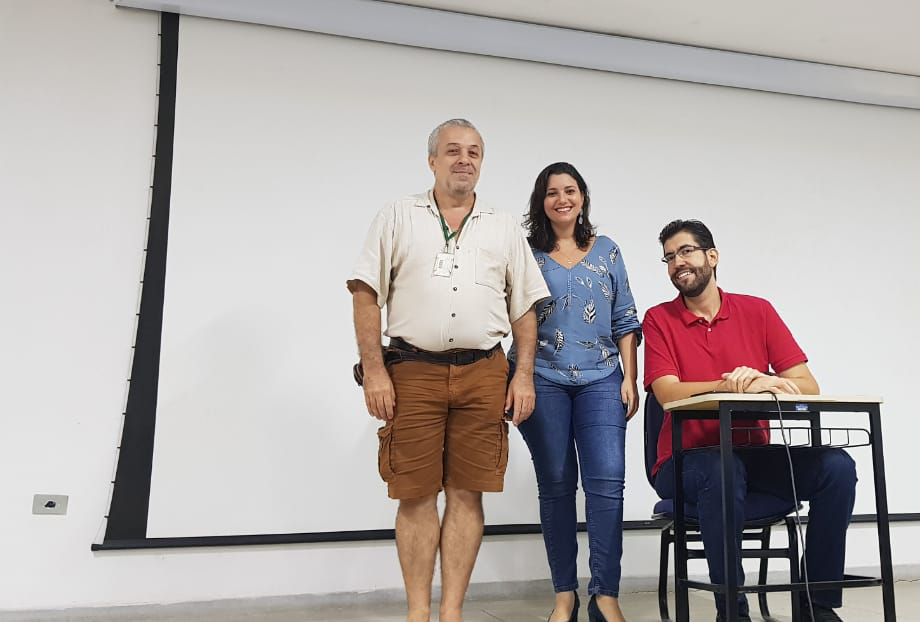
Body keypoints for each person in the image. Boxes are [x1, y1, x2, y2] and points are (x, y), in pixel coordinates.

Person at [346, 118, 550, 622]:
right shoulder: (398, 215)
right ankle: (419, 612)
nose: (464, 159)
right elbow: (365, 292)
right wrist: (374, 371)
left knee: (467, 492)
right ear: (432, 160)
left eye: (474, 152)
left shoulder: (502, 226)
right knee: (415, 494)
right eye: (453, 150)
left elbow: (524, 306)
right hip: (412, 371)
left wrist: (522, 375)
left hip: (485, 372)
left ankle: (451, 613)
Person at [642, 220, 857, 622]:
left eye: (685, 251)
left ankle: (817, 605)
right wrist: (732, 385)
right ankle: (733, 610)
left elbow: (806, 385)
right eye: (669, 257)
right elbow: (668, 393)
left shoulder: (758, 311)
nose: (677, 263)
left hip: (751, 455)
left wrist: (768, 381)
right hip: (683, 462)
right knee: (722, 468)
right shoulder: (658, 319)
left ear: (712, 256)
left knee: (837, 468)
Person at [515, 162, 641, 622]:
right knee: (556, 485)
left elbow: (626, 318)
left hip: (603, 377)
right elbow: (514, 315)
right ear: (541, 201)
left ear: (582, 197)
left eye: (570, 190)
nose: (561, 199)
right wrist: (517, 377)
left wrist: (630, 376)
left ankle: (605, 594)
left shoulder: (607, 251)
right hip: (542, 377)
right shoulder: (525, 253)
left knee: (607, 485)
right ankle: (564, 594)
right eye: (552, 192)